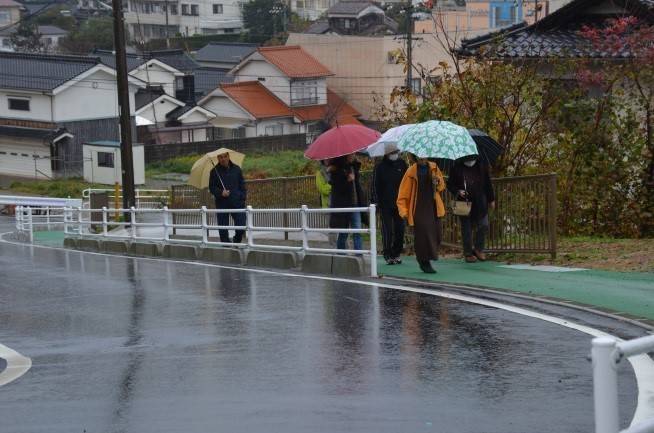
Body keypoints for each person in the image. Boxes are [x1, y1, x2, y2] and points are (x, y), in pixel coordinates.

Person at [396, 154, 446, 273]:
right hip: (417, 208)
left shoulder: (434, 167)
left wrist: (438, 181)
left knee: (438, 234)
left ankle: (428, 257)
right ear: (414, 157)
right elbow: (402, 196)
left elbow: (441, 186)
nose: (421, 157)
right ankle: (424, 262)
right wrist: (404, 212)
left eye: (424, 154)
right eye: (418, 155)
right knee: (423, 235)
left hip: (433, 206)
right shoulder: (410, 171)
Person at [446, 154, 495, 263]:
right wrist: (458, 191)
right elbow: (450, 184)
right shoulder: (457, 168)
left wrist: (491, 199)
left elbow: (488, 183)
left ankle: (478, 249)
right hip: (465, 203)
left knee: (484, 225)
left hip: (480, 202)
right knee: (467, 229)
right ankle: (468, 253)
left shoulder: (481, 165)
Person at [371, 146, 408, 265]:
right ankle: (387, 254)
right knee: (387, 230)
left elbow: (407, 182)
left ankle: (396, 252)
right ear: (387, 153)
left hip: (399, 203)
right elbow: (375, 185)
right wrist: (375, 202)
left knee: (401, 229)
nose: (395, 154)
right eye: (392, 152)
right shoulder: (379, 166)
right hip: (384, 204)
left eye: (396, 151)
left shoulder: (402, 164)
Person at [329, 153, 366, 251]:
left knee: (357, 230)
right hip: (344, 205)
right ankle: (341, 255)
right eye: (351, 154)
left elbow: (357, 186)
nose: (353, 156)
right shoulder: (336, 170)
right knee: (343, 233)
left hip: (355, 204)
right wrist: (347, 180)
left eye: (354, 153)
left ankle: (358, 254)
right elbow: (338, 190)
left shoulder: (354, 167)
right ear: (345, 155)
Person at [209, 151, 248, 244]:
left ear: (228, 156)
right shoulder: (214, 171)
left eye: (225, 156)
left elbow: (242, 184)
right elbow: (212, 187)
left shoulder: (236, 168)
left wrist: (243, 197)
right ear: (218, 158)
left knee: (241, 225)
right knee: (223, 226)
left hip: (237, 202)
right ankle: (225, 244)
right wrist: (220, 192)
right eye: (221, 157)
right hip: (222, 202)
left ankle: (237, 239)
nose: (223, 159)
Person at [315, 159, 337, 246]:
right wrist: (332, 182)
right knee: (332, 228)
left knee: (343, 228)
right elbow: (323, 190)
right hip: (327, 205)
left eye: (329, 158)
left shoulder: (336, 170)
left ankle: (345, 249)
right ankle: (333, 247)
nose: (328, 160)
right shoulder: (320, 174)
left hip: (339, 203)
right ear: (322, 161)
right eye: (326, 159)